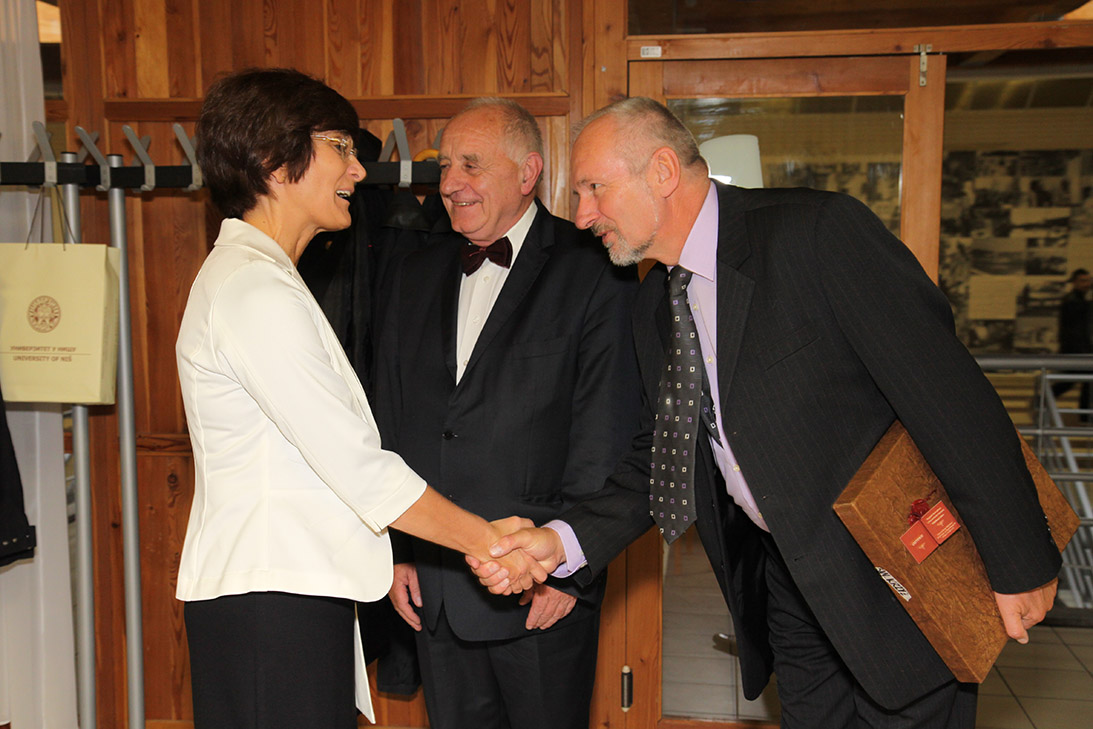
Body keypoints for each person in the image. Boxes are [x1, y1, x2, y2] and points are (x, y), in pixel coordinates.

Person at [476, 97, 1062, 729]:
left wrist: (1019, 561)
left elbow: (950, 398)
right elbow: (661, 461)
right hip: (789, 594)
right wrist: (559, 540)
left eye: (594, 188)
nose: (582, 214)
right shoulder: (651, 306)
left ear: (663, 171)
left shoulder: (817, 234)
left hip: (895, 586)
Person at [174, 69, 542, 729]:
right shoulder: (254, 292)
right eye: (340, 147)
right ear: (274, 161)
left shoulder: (264, 279)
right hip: (269, 602)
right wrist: (486, 539)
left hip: (286, 594)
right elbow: (359, 469)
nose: (358, 169)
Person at [374, 98, 641, 729]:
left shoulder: (594, 267)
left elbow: (604, 434)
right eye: (445, 166)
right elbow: (392, 416)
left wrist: (567, 571)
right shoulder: (412, 269)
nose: (450, 183)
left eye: (471, 165)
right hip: (435, 584)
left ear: (528, 173)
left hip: (539, 591)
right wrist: (397, 550)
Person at [1052, 268, 1092, 412]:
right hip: (1075, 349)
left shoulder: (1079, 299)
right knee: (1074, 381)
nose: (1087, 284)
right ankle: (1084, 414)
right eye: (1083, 281)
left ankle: (1085, 414)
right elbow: (1074, 330)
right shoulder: (1073, 301)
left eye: (1088, 280)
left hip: (1079, 349)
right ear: (1074, 282)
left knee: (1080, 381)